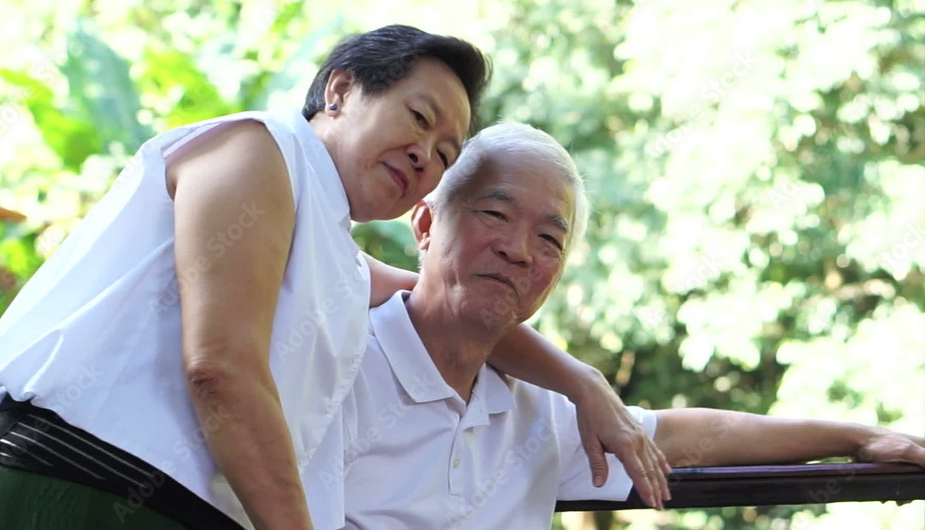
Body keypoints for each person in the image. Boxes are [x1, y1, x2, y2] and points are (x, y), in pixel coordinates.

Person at [0, 26, 667, 530]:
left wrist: (583, 383)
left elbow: (440, 302)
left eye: (447, 153)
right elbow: (221, 369)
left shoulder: (331, 250)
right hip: (74, 491)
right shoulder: (259, 152)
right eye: (417, 119)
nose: (426, 155)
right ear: (341, 89)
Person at [217, 121, 921, 528]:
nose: (519, 250)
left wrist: (855, 437)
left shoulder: (541, 412)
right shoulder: (329, 358)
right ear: (425, 225)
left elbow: (681, 436)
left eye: (550, 239)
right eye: (494, 215)